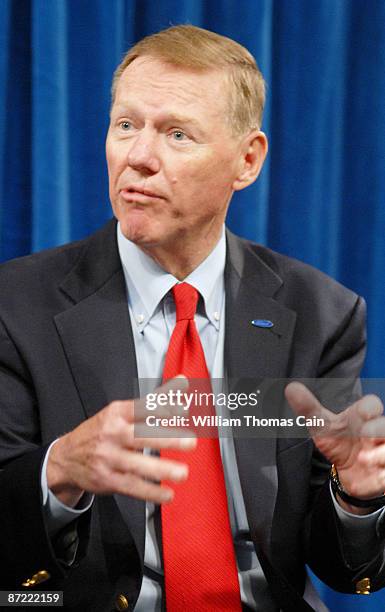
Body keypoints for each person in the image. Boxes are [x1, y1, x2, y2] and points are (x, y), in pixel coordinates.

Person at [0, 24, 385, 612]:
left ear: (247, 160)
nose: (140, 157)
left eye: (177, 133)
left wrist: (355, 498)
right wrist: (58, 472)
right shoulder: (16, 305)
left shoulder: (320, 313)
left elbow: (339, 567)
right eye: (126, 125)